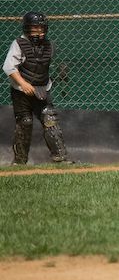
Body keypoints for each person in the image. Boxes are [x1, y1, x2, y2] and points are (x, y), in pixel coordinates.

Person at [3, 11, 70, 165]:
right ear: (27, 28)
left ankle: (60, 158)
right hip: (21, 91)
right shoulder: (19, 44)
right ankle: (19, 162)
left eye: (41, 28)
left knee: (50, 120)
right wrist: (23, 84)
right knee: (25, 123)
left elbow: (49, 65)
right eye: (34, 28)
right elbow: (9, 67)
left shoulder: (49, 45)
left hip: (42, 90)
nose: (38, 32)